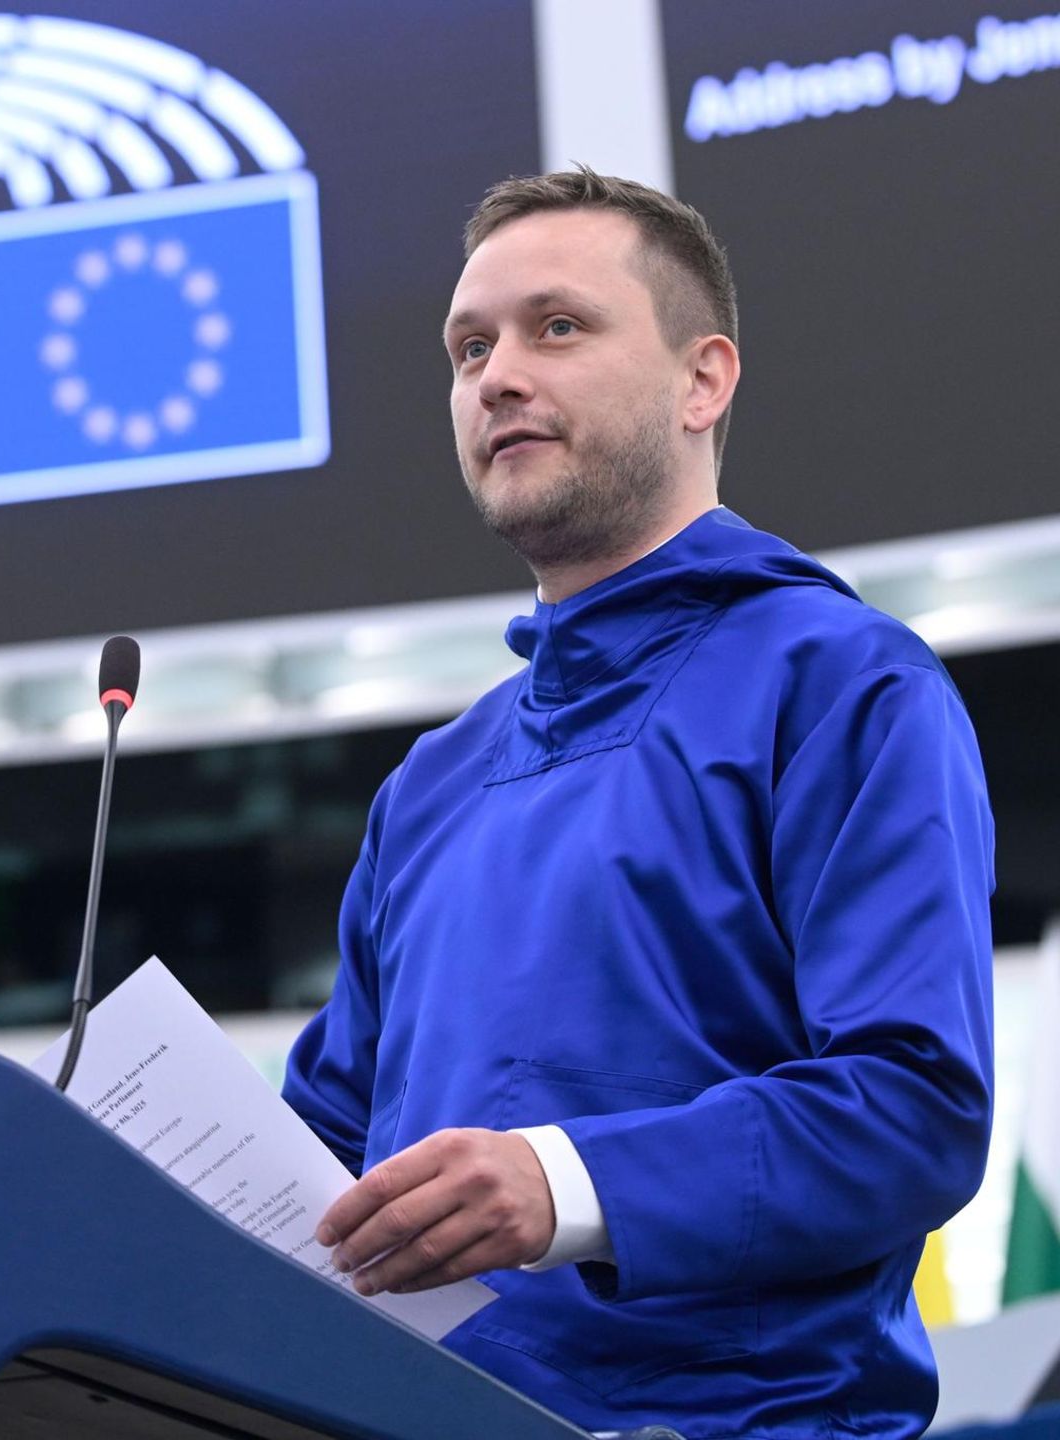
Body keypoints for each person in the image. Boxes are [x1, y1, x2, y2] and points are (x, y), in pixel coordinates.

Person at [281, 168, 994, 1439]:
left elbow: (913, 1111)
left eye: (557, 326)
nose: (496, 375)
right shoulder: (428, 788)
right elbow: (316, 1152)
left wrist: (566, 1183)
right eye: (468, 346)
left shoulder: (840, 681)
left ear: (702, 380)